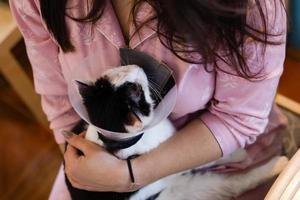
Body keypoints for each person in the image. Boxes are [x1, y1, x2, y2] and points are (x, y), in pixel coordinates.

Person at [10, 0, 288, 199]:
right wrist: (84, 167)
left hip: (220, 154)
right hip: (102, 161)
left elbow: (239, 119)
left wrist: (129, 176)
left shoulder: (248, 8)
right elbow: (60, 102)